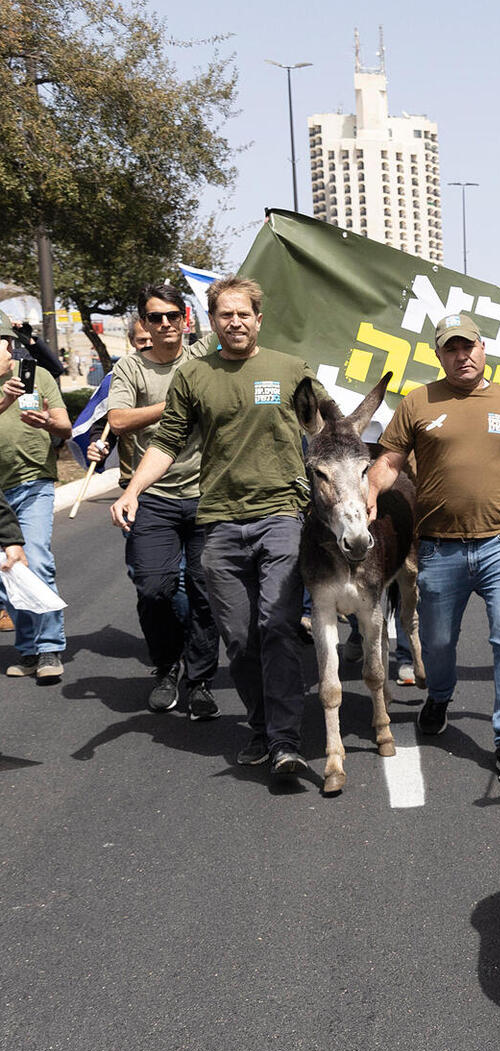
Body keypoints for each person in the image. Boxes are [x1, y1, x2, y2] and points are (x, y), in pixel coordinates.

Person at [112, 277, 319, 774]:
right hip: (221, 522)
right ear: (210, 321)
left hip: (281, 515)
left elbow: (328, 431)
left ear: (258, 318)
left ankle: (287, 741)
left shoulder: (291, 371)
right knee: (241, 639)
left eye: (244, 313)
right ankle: (263, 727)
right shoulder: (194, 376)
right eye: (225, 315)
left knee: (277, 624)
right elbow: (167, 443)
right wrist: (132, 490)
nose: (236, 322)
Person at [367, 312, 500, 785]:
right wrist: (371, 492)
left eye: (469, 346)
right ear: (439, 355)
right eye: (451, 349)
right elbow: (390, 461)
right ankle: (439, 695)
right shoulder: (418, 402)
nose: (462, 355)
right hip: (440, 548)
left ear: (484, 350)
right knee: (438, 644)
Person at [100, 283, 219, 718]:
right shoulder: (130, 369)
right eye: (156, 317)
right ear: (144, 324)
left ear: (185, 318)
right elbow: (118, 420)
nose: (166, 324)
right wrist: (175, 403)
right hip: (153, 496)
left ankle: (202, 679)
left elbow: (235, 314)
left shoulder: (203, 355)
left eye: (172, 315)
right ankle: (167, 666)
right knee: (155, 589)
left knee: (206, 593)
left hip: (208, 495)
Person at [0, 323, 72, 684]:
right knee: (9, 571)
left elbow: (65, 428)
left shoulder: (38, 376)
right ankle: (27, 649)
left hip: (33, 484)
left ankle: (48, 647)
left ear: (9, 347)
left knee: (36, 560)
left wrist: (47, 422)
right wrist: (5, 402)